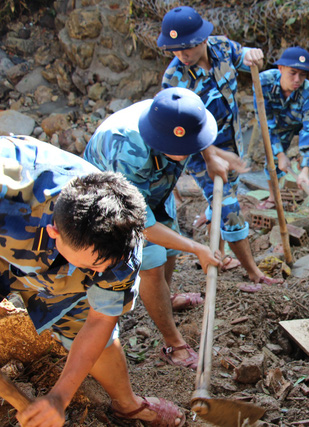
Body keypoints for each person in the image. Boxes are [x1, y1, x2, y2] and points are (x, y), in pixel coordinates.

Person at [1, 136, 185, 426]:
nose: (102, 275)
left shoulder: (122, 236)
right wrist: (16, 399)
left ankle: (128, 406)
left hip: (60, 251)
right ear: (54, 233)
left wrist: (59, 397)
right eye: (94, 266)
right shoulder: (7, 198)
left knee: (85, 321)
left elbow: (100, 320)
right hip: (8, 237)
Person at [84, 87, 234, 371]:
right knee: (151, 265)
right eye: (180, 149)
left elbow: (193, 131)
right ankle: (173, 344)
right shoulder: (127, 152)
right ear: (159, 138)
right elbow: (144, 225)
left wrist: (210, 155)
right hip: (110, 198)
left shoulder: (180, 112)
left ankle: (168, 297)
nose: (186, 151)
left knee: (170, 249)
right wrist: (197, 248)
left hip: (154, 186)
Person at [157, 6, 283, 289]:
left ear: (202, 39)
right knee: (230, 207)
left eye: (187, 47)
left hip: (232, 139)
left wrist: (252, 53)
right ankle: (253, 272)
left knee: (228, 191)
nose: (182, 55)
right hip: (199, 149)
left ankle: (219, 243)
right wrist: (212, 157)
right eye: (175, 50)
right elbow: (184, 131)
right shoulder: (174, 80)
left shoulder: (222, 47)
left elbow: (245, 56)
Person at [254, 46, 309, 212]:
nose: (297, 79)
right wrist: (280, 154)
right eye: (292, 73)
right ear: (280, 68)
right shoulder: (263, 83)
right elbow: (265, 122)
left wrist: (305, 169)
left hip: (302, 122)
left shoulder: (308, 92)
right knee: (271, 155)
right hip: (278, 124)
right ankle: (273, 197)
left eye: (302, 75)